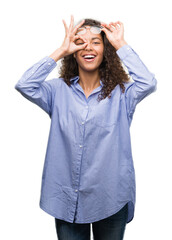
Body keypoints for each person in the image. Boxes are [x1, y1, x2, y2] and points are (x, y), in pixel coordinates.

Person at [14, 15, 157, 240]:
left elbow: (148, 83)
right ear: (74, 51)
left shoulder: (123, 93)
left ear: (105, 50)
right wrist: (61, 49)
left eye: (96, 42)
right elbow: (25, 85)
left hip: (110, 197)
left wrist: (120, 44)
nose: (88, 47)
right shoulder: (56, 91)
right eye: (80, 42)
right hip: (66, 198)